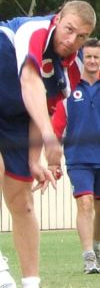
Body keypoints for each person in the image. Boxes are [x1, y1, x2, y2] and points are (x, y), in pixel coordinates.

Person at [0, 0, 96, 288]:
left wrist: (33, 159)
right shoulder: (35, 30)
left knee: (23, 201)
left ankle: (31, 283)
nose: (71, 41)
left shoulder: (74, 66)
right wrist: (49, 135)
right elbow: (30, 81)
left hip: (17, 116)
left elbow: (45, 105)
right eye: (68, 30)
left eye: (81, 36)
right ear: (59, 16)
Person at [52, 37, 100, 274]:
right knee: (85, 203)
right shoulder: (69, 89)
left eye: (96, 57)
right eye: (88, 56)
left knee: (98, 209)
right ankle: (89, 257)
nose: (91, 61)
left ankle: (97, 247)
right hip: (79, 158)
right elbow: (56, 128)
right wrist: (52, 160)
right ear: (82, 58)